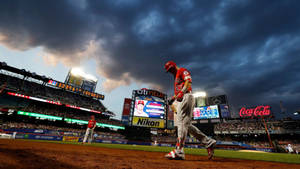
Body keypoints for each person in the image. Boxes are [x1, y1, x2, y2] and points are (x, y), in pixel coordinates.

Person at [164, 61, 216, 160]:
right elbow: (179, 91)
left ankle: (179, 151)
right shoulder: (176, 77)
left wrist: (182, 93)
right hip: (184, 97)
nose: (170, 72)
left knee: (181, 123)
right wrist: (173, 98)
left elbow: (188, 81)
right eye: (169, 71)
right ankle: (209, 142)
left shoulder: (182, 70)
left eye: (171, 69)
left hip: (186, 96)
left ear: (174, 66)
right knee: (186, 125)